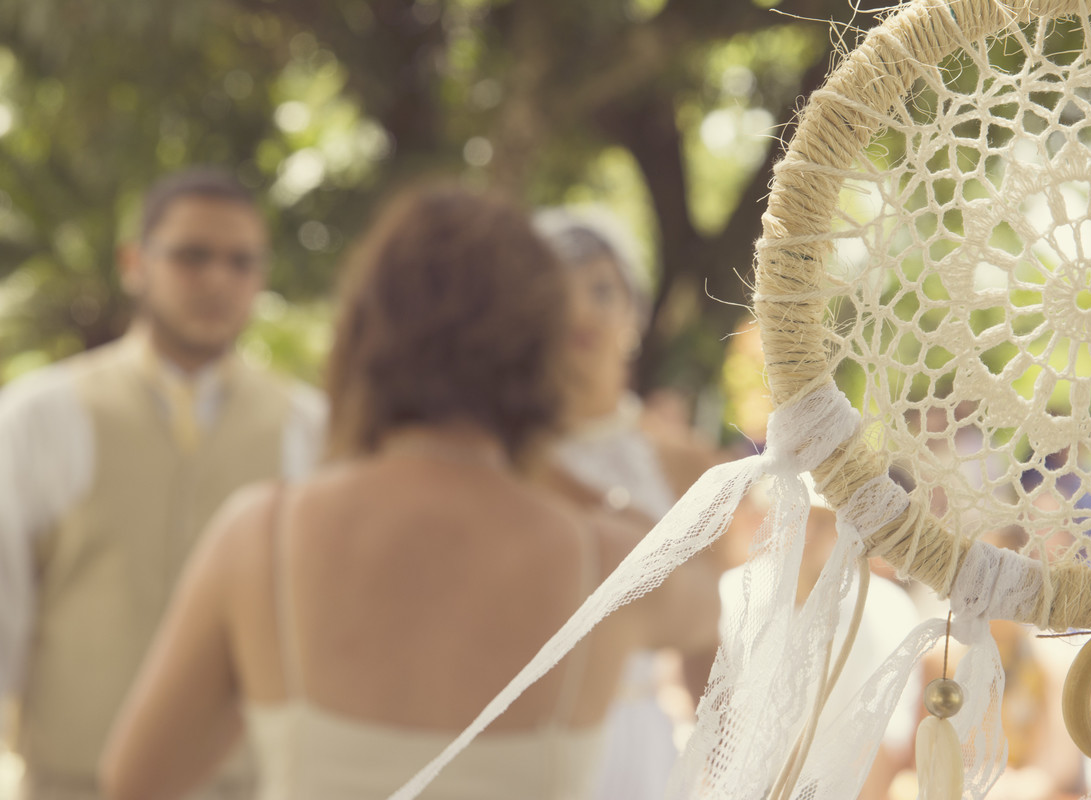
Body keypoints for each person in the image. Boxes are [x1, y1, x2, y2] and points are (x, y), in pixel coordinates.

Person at [99, 185, 720, 800]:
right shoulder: (606, 559)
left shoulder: (260, 534)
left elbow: (136, 781)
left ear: (364, 335)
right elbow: (711, 604)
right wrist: (560, 476)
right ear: (540, 349)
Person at [0, 167, 327, 800]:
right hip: (73, 779)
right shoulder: (40, 416)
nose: (217, 280)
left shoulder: (310, 427)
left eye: (241, 262)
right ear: (135, 263)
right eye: (192, 255)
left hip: (247, 784)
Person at [533, 208, 723, 800]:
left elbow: (704, 647)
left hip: (633, 747)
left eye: (601, 288)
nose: (581, 309)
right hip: (519, 734)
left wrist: (736, 769)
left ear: (634, 314)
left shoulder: (687, 463)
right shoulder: (497, 455)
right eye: (555, 292)